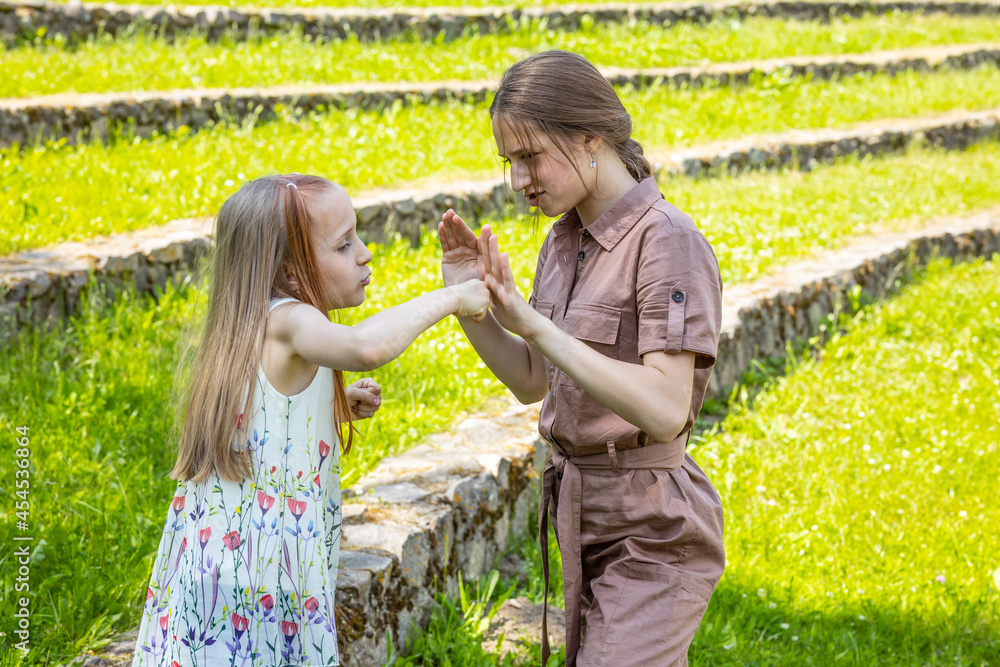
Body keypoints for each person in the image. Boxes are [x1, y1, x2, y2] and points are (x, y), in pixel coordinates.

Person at [438, 51, 725, 666]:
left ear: (590, 138)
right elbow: (531, 380)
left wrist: (538, 327)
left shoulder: (667, 240)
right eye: (507, 163)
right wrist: (472, 306)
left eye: (529, 157)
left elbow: (667, 407)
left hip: (651, 526)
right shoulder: (563, 240)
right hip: (581, 508)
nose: (517, 181)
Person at [132, 174, 490, 667]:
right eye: (344, 245)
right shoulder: (290, 321)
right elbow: (366, 347)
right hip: (258, 581)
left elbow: (270, 415)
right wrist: (450, 298)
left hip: (223, 570)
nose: (365, 254)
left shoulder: (250, 323)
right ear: (292, 273)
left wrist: (334, 401)